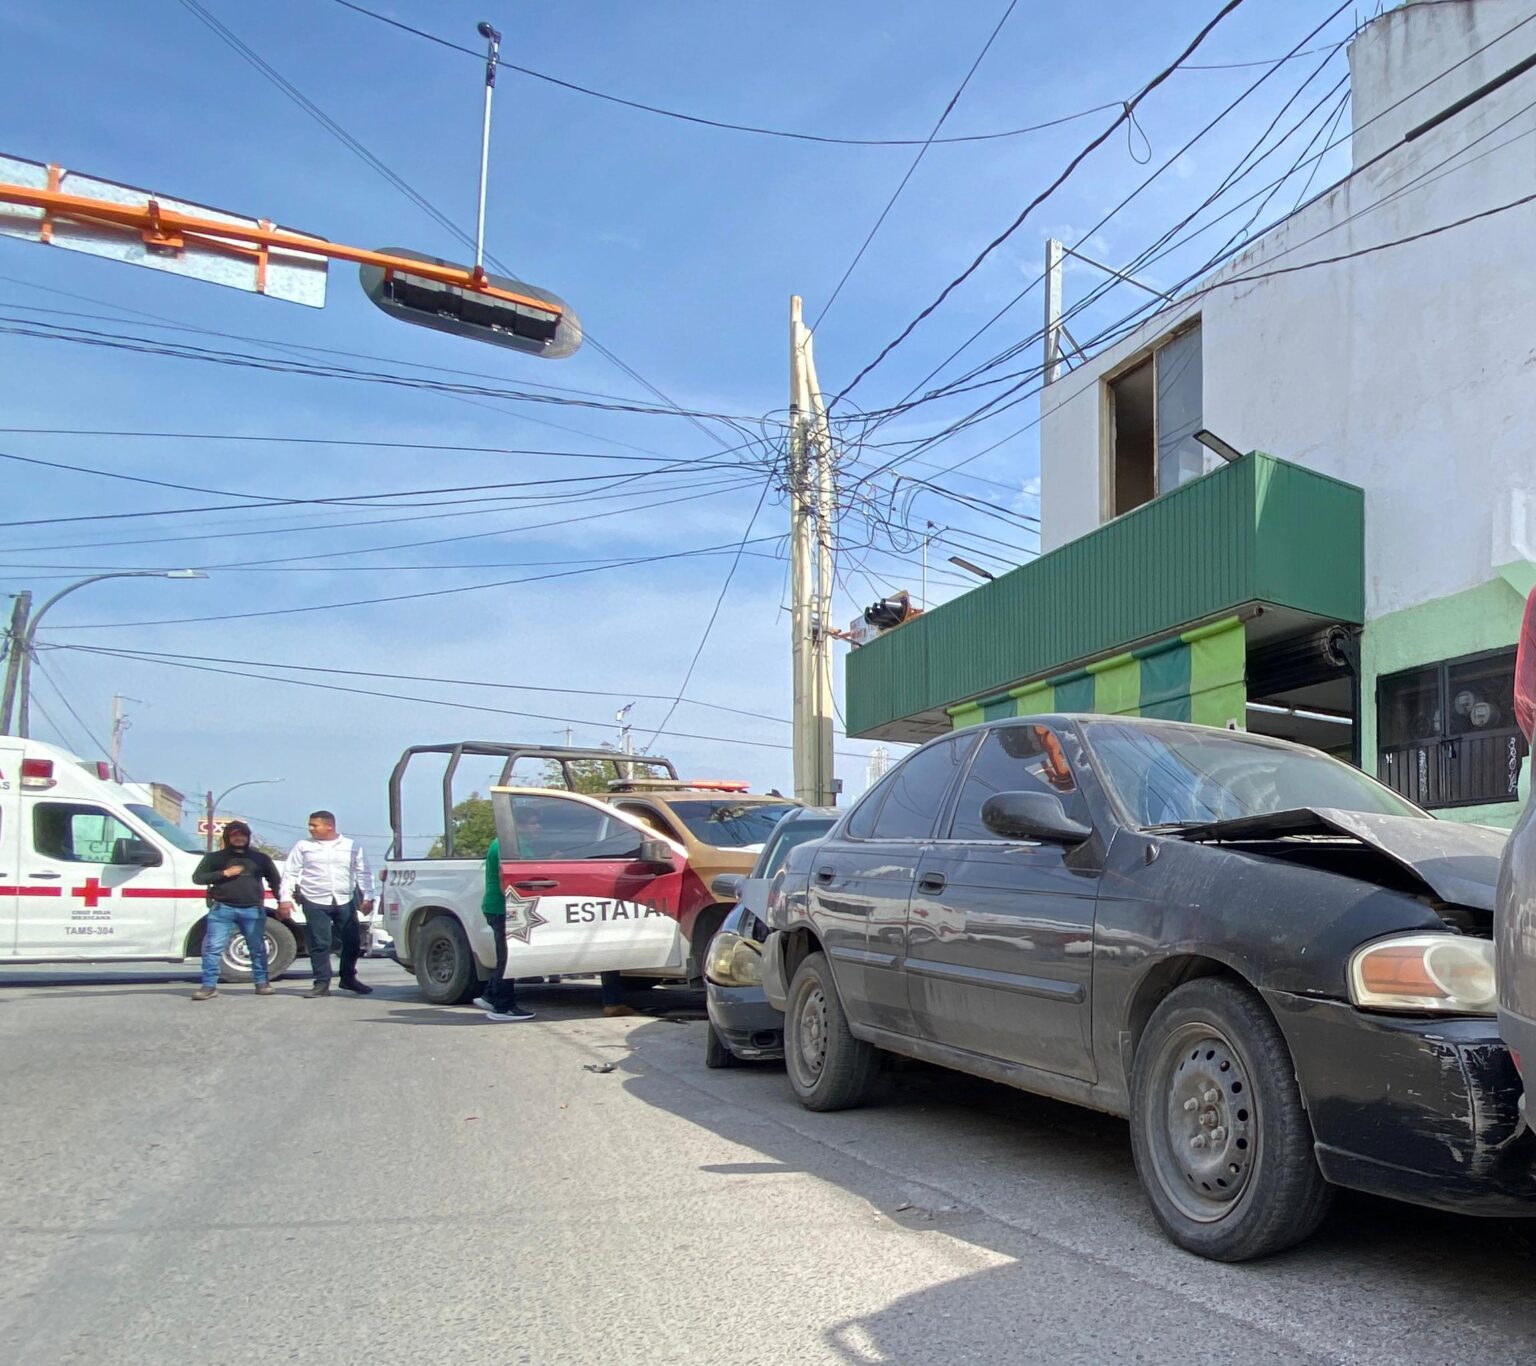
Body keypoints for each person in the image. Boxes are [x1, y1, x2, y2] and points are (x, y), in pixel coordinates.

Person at [279, 810, 374, 998]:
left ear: (329, 826)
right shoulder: (303, 846)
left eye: (315, 825)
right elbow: (290, 872)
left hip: (344, 899)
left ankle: (348, 978)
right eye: (310, 825)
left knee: (352, 941)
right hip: (314, 899)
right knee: (320, 943)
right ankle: (321, 983)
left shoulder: (350, 845)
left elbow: (363, 872)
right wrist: (285, 898)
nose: (310, 828)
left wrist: (368, 897)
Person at [189, 820, 283, 1001]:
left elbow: (275, 882)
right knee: (213, 948)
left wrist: (282, 903)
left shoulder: (260, 858)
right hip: (223, 908)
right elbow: (198, 878)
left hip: (252, 909)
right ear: (228, 837)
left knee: (257, 948)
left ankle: (262, 983)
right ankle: (209, 986)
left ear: (248, 837)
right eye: (234, 835)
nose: (239, 838)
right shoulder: (214, 858)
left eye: (243, 835)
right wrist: (224, 873)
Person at [474, 836, 535, 1023]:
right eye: (533, 824)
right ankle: (503, 1007)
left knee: (505, 955)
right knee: (508, 958)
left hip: (498, 907)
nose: (537, 828)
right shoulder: (509, 844)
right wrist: (514, 904)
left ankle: (490, 996)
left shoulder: (502, 841)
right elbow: (506, 876)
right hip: (504, 907)